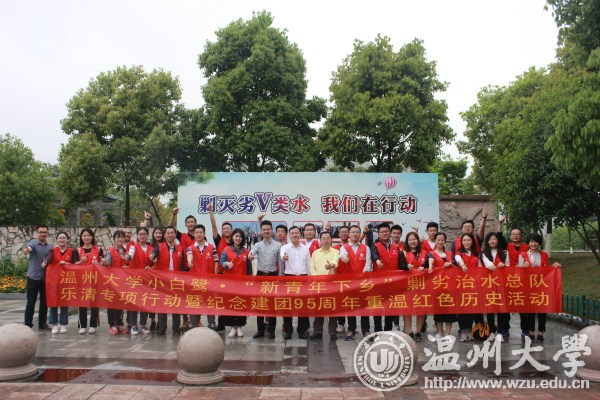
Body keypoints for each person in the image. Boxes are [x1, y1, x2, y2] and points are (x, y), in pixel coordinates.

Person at [518, 232, 561, 342]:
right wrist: (523, 266)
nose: (534, 244)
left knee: (542, 309)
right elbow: (518, 271)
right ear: (528, 242)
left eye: (536, 242)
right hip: (528, 286)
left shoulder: (544, 255)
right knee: (531, 309)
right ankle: (531, 330)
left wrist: (554, 267)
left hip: (541, 286)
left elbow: (547, 270)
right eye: (531, 241)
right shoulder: (523, 255)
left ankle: (541, 332)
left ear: (539, 243)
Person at [249, 220, 281, 339]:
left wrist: (281, 277)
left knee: (272, 304)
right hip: (260, 276)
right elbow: (251, 253)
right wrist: (251, 255)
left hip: (273, 276)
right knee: (259, 303)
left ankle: (271, 330)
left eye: (268, 229)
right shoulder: (258, 245)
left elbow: (280, 263)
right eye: (264, 229)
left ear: (271, 230)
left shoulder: (278, 245)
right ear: (261, 231)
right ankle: (260, 330)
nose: (266, 231)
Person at [339, 225, 372, 341]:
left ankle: (366, 330)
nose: (355, 234)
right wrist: (344, 257)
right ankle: (351, 330)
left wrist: (362, 276)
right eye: (352, 232)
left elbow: (368, 264)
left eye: (357, 232)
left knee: (364, 307)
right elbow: (342, 255)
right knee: (351, 306)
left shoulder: (365, 248)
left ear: (360, 234)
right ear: (349, 234)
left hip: (363, 282)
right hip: (349, 283)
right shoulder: (344, 247)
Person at [151, 226, 185, 336]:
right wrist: (152, 256)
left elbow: (183, 267)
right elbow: (154, 254)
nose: (170, 235)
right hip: (162, 280)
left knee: (176, 305)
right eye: (168, 233)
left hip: (176, 281)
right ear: (165, 235)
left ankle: (176, 329)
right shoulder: (159, 246)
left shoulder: (180, 249)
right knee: (162, 304)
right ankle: (162, 328)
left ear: (175, 235)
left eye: (172, 233)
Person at [42, 231, 77, 334]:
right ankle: (54, 324)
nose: (62, 240)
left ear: (67, 239)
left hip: (66, 281)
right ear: (57, 240)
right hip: (54, 281)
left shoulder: (72, 251)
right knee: (53, 302)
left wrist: (66, 263)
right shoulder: (52, 251)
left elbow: (75, 265)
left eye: (64, 238)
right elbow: (48, 259)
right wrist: (45, 262)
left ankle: (63, 324)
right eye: (60, 238)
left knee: (64, 303)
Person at [280, 226, 311, 339]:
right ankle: (288, 330)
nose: (294, 235)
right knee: (288, 305)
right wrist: (284, 257)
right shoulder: (285, 247)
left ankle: (302, 330)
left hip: (303, 279)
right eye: (292, 233)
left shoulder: (305, 248)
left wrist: (310, 280)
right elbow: (282, 255)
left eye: (296, 233)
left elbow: (308, 265)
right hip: (289, 278)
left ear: (300, 234)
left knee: (303, 306)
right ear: (289, 235)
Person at [169, 208, 197, 331]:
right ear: (185, 224)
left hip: (196, 271)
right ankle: (185, 320)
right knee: (183, 296)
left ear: (195, 223)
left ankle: (196, 320)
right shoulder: (182, 236)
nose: (190, 223)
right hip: (183, 270)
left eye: (192, 222)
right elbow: (170, 228)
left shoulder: (200, 236)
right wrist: (173, 215)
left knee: (195, 296)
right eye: (188, 222)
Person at [220, 228, 251, 338]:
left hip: (242, 283)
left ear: (242, 238)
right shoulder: (227, 250)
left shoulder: (246, 251)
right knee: (231, 303)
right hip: (230, 283)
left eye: (240, 236)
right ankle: (233, 326)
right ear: (232, 237)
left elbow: (249, 268)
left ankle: (240, 326)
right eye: (236, 236)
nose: (238, 238)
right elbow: (222, 262)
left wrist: (250, 281)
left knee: (241, 304)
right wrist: (226, 264)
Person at [370, 223, 400, 332]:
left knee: (390, 308)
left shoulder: (395, 248)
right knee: (377, 308)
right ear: (378, 234)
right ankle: (377, 331)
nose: (384, 234)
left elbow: (401, 264)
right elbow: (374, 255)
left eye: (387, 231)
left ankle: (388, 331)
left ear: (390, 233)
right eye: (382, 232)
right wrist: (377, 261)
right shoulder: (375, 246)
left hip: (392, 284)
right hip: (379, 284)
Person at [310, 231, 340, 340]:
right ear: (320, 240)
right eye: (323, 238)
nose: (326, 240)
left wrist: (331, 265)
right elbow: (312, 267)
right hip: (318, 284)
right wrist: (317, 278)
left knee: (332, 308)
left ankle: (333, 332)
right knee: (318, 308)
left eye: (328, 238)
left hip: (331, 284)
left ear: (331, 240)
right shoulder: (315, 253)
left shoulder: (336, 251)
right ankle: (317, 331)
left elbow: (336, 262)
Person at [186, 224, 218, 329]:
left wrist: (215, 278)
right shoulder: (190, 248)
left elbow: (216, 263)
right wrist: (190, 261)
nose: (199, 234)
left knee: (210, 302)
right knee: (194, 301)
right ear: (194, 235)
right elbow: (189, 255)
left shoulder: (212, 247)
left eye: (201, 232)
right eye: (197, 233)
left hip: (209, 281)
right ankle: (192, 323)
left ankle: (212, 323)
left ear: (204, 234)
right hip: (194, 281)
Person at [22, 225, 54, 330]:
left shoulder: (51, 247)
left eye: (44, 232)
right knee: (31, 302)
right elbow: (29, 248)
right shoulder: (33, 243)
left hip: (46, 279)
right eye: (40, 232)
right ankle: (28, 324)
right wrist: (26, 250)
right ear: (37, 233)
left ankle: (42, 324)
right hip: (33, 278)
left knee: (44, 303)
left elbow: (52, 258)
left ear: (47, 233)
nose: (42, 234)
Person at [481, 231, 510, 342]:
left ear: (498, 240)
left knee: (501, 309)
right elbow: (488, 265)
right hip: (488, 284)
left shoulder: (505, 253)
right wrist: (496, 265)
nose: (492, 241)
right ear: (487, 241)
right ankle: (491, 332)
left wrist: (504, 266)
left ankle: (500, 332)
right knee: (490, 309)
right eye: (490, 239)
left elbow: (508, 267)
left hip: (502, 284)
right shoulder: (484, 253)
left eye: (494, 239)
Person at [454, 233, 484, 342]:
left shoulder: (477, 254)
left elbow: (480, 268)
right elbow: (459, 261)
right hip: (461, 285)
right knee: (462, 308)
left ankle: (469, 330)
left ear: (472, 242)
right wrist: (462, 265)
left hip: (473, 285)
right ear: (461, 242)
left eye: (468, 240)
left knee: (471, 307)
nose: (466, 242)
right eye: (464, 240)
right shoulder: (459, 254)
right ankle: (463, 331)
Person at [399, 231, 428, 341]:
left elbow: (430, 267)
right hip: (407, 286)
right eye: (410, 240)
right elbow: (400, 266)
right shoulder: (403, 252)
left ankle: (418, 332)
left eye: (414, 239)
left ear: (418, 240)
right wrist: (406, 267)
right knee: (408, 309)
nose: (412, 241)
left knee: (421, 309)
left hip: (422, 285)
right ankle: (409, 331)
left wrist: (424, 268)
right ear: (407, 242)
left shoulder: (424, 253)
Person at [208, 203, 232, 332]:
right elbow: (213, 225)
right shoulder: (218, 240)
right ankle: (221, 323)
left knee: (233, 299)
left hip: (233, 276)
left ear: (232, 231)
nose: (226, 230)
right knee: (221, 300)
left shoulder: (236, 242)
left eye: (228, 228)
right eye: (224, 229)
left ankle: (235, 324)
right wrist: (211, 211)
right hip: (221, 275)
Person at [427, 232, 456, 338]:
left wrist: (451, 264)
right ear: (435, 241)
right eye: (438, 240)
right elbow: (430, 263)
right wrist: (432, 267)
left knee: (450, 310)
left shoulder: (450, 253)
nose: (440, 242)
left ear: (445, 241)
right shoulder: (431, 253)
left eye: (442, 240)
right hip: (437, 286)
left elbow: (455, 266)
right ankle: (440, 332)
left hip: (450, 285)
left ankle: (448, 333)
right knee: (438, 310)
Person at [76, 228, 104, 334]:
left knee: (94, 303)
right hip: (82, 281)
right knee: (82, 303)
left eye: (88, 235)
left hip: (95, 280)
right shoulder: (78, 250)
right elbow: (73, 265)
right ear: (81, 237)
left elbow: (102, 263)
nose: (86, 237)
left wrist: (102, 263)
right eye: (84, 236)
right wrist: (81, 261)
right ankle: (82, 325)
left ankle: (93, 325)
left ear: (92, 237)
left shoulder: (98, 249)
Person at [126, 227, 154, 335]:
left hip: (147, 280)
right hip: (134, 279)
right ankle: (133, 325)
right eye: (140, 234)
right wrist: (128, 257)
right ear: (137, 236)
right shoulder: (133, 247)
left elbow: (155, 262)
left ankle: (143, 324)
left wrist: (151, 266)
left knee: (145, 301)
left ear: (147, 236)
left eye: (144, 234)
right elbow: (130, 254)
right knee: (133, 301)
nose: (142, 236)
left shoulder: (151, 249)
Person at [103, 230, 129, 335]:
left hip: (123, 282)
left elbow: (129, 263)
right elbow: (108, 261)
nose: (120, 239)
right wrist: (105, 262)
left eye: (122, 237)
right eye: (118, 237)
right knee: (111, 304)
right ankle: (112, 325)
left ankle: (119, 324)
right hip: (112, 281)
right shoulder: (110, 250)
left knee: (120, 304)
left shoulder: (126, 251)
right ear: (114, 239)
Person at [333, 225, 350, 334]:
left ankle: (352, 325)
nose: (344, 233)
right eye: (342, 232)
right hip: (338, 278)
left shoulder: (352, 247)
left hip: (351, 278)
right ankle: (341, 323)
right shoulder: (335, 248)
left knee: (351, 301)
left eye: (346, 232)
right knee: (340, 302)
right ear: (338, 234)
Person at [147, 227, 165, 331]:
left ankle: (160, 321)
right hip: (151, 276)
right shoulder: (150, 245)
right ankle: (152, 319)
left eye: (160, 233)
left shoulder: (165, 245)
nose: (158, 235)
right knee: (152, 299)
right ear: (153, 234)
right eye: (156, 233)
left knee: (161, 299)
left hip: (162, 277)